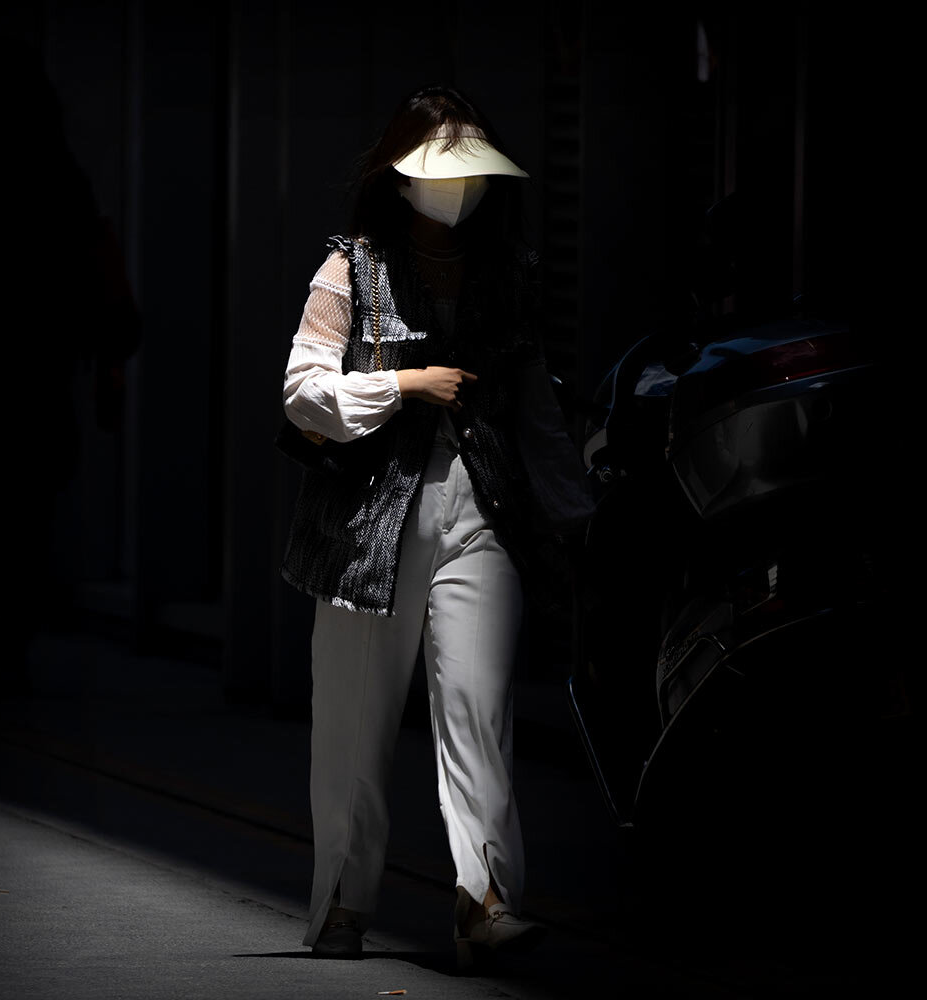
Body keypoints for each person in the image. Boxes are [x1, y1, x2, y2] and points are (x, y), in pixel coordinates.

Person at [278, 85, 595, 967]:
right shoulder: (351, 266)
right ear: (399, 172)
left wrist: (573, 516)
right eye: (439, 172)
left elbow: (536, 412)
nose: (456, 192)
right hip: (362, 526)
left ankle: (484, 902)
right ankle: (344, 902)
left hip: (478, 511)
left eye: (472, 172)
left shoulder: (509, 274)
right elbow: (304, 394)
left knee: (477, 710)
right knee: (353, 721)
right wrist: (404, 386)